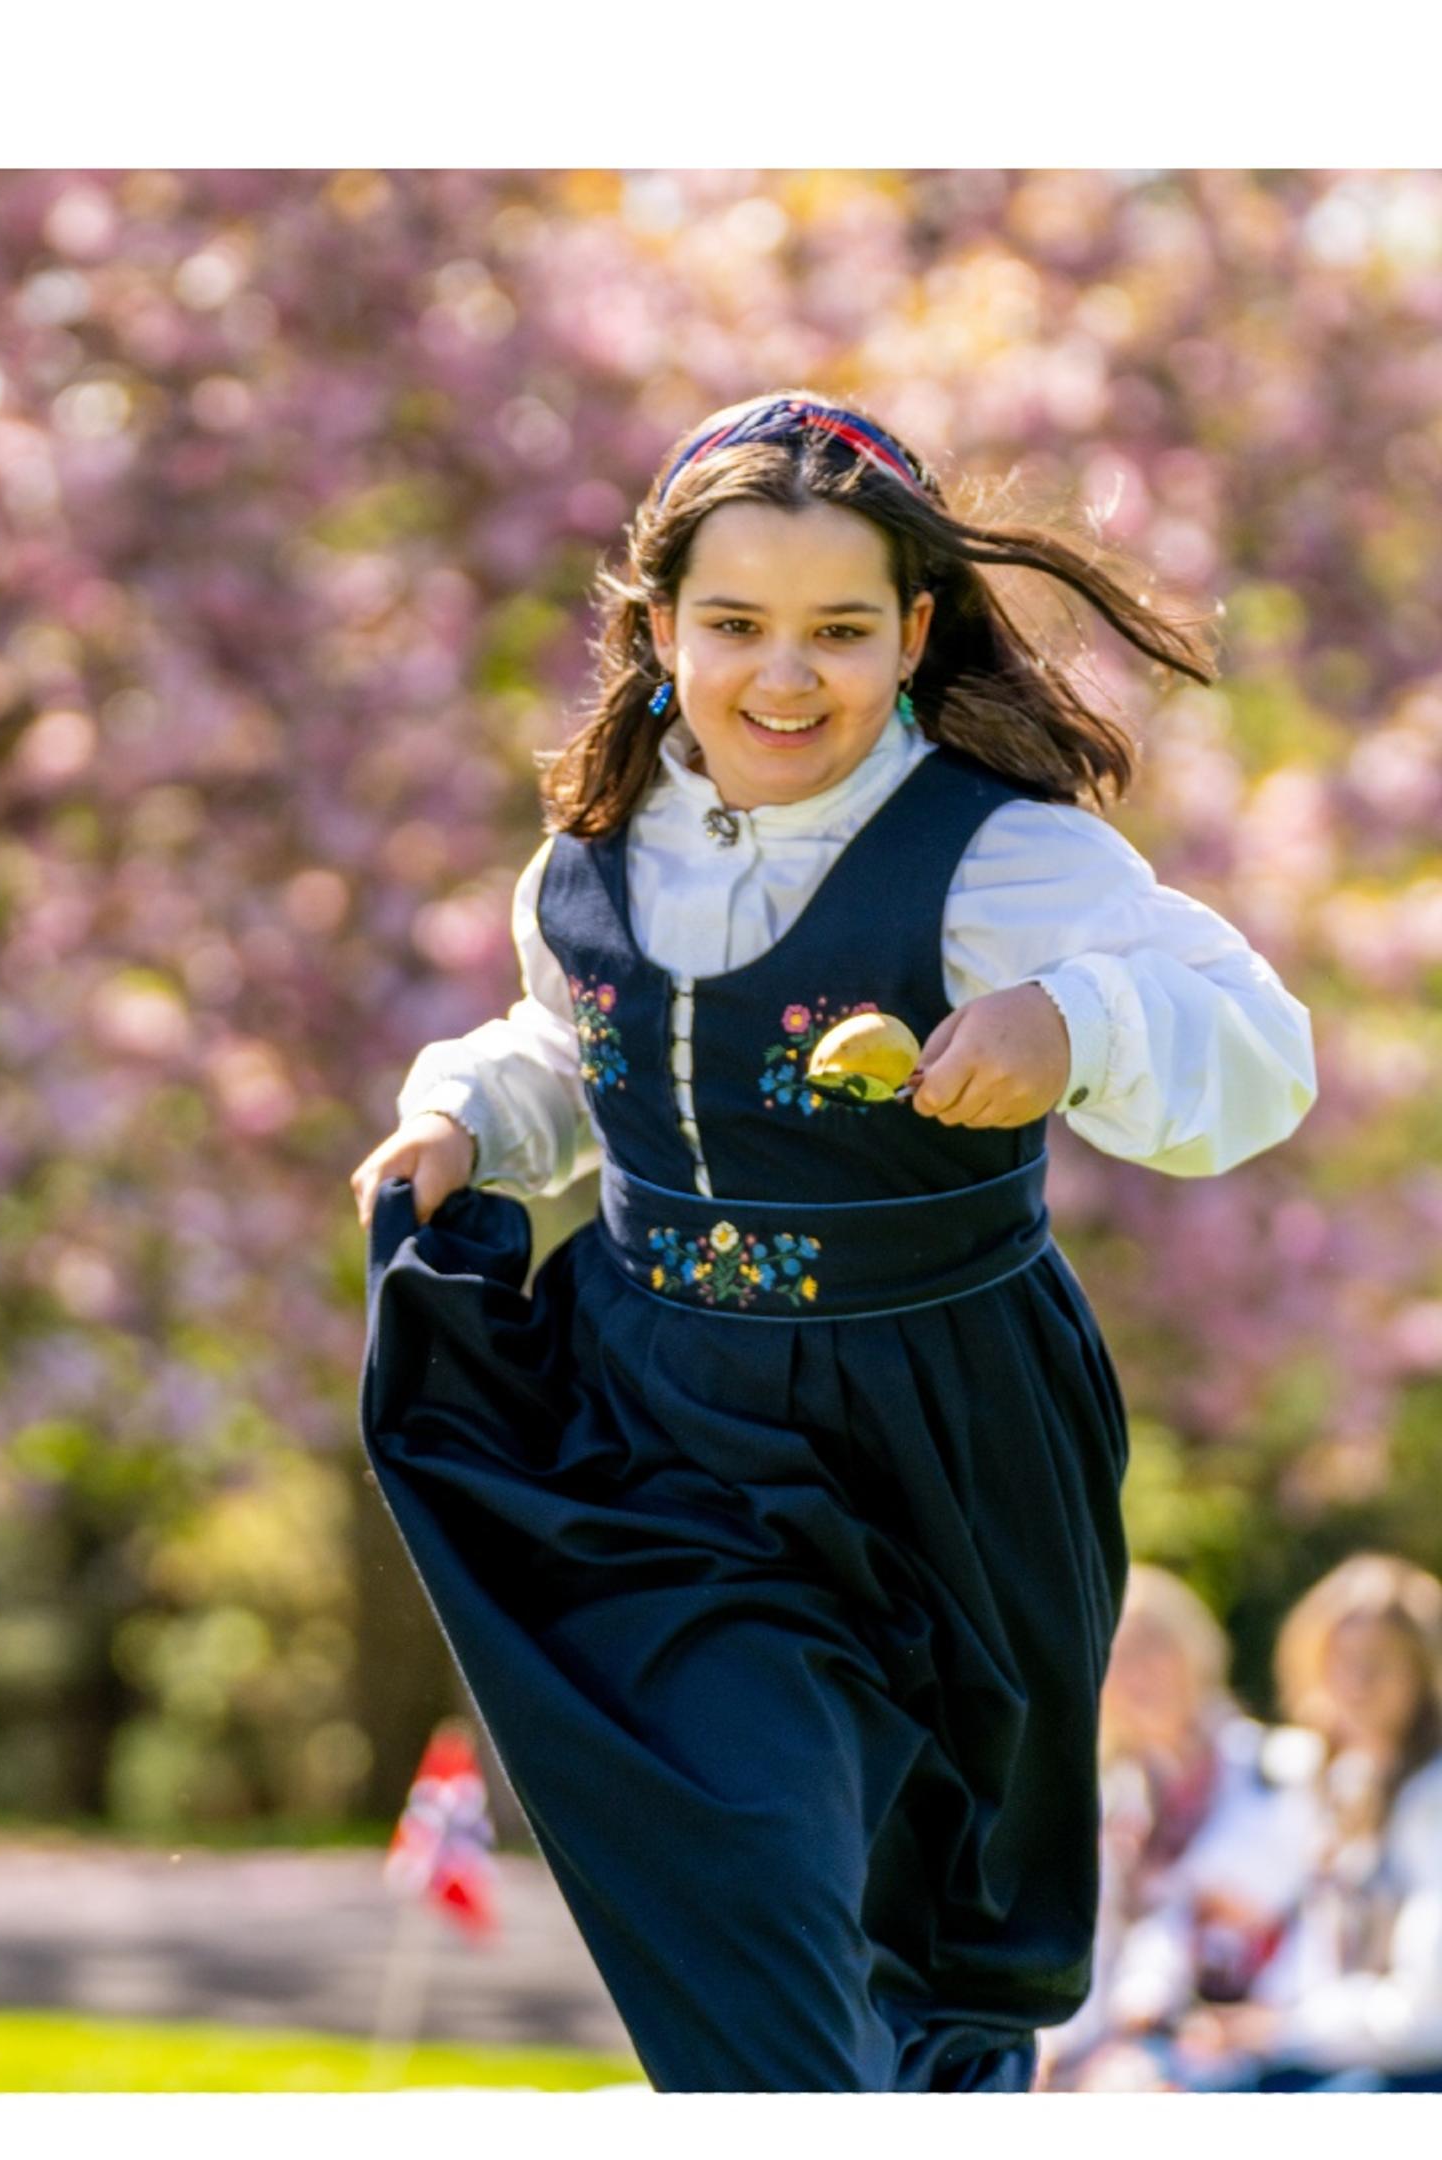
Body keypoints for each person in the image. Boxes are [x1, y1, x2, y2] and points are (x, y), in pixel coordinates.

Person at [347, 391, 1318, 2090]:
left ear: (914, 633)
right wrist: (463, 1120)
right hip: (665, 1429)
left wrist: (1073, 1023)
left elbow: (1260, 1055)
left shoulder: (1000, 856)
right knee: (759, 1846)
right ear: (656, 631)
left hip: (947, 1423)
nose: (782, 679)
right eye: (734, 626)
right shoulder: (582, 865)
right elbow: (578, 1051)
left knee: (943, 1944)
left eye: (838, 632)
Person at [1043, 1565, 1311, 2087]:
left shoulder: (1280, 1768)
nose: (1136, 1674)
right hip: (1140, 2044)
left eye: (1151, 1648)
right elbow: (1092, 1949)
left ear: (1194, 1653)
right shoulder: (1108, 1801)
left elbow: (1245, 1905)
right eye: (1116, 1658)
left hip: (1265, 2032)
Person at [1185, 1554, 1442, 2089]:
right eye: (1339, 1659)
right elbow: (1220, 1900)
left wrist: (1283, 2029)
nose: (1356, 1681)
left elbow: (1424, 2016)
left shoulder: (1430, 1796)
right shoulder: (1328, 1779)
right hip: (1327, 2048)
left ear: (1423, 1669)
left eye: (1379, 1661)